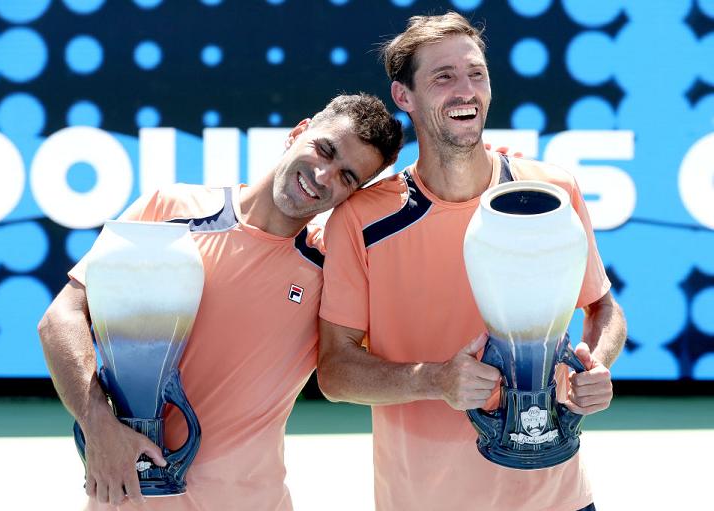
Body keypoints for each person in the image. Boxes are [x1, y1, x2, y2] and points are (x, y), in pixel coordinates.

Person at [317, 12, 627, 511]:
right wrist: (433, 379)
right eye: (443, 77)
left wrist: (595, 368)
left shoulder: (552, 191)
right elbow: (335, 373)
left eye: (475, 73)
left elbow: (603, 309)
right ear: (404, 96)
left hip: (559, 498)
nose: (466, 90)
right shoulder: (360, 219)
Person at [37, 93, 403, 510]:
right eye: (324, 149)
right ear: (299, 131)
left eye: (347, 177)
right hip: (129, 499)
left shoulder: (332, 269)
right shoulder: (172, 211)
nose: (323, 176)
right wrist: (98, 425)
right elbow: (61, 317)